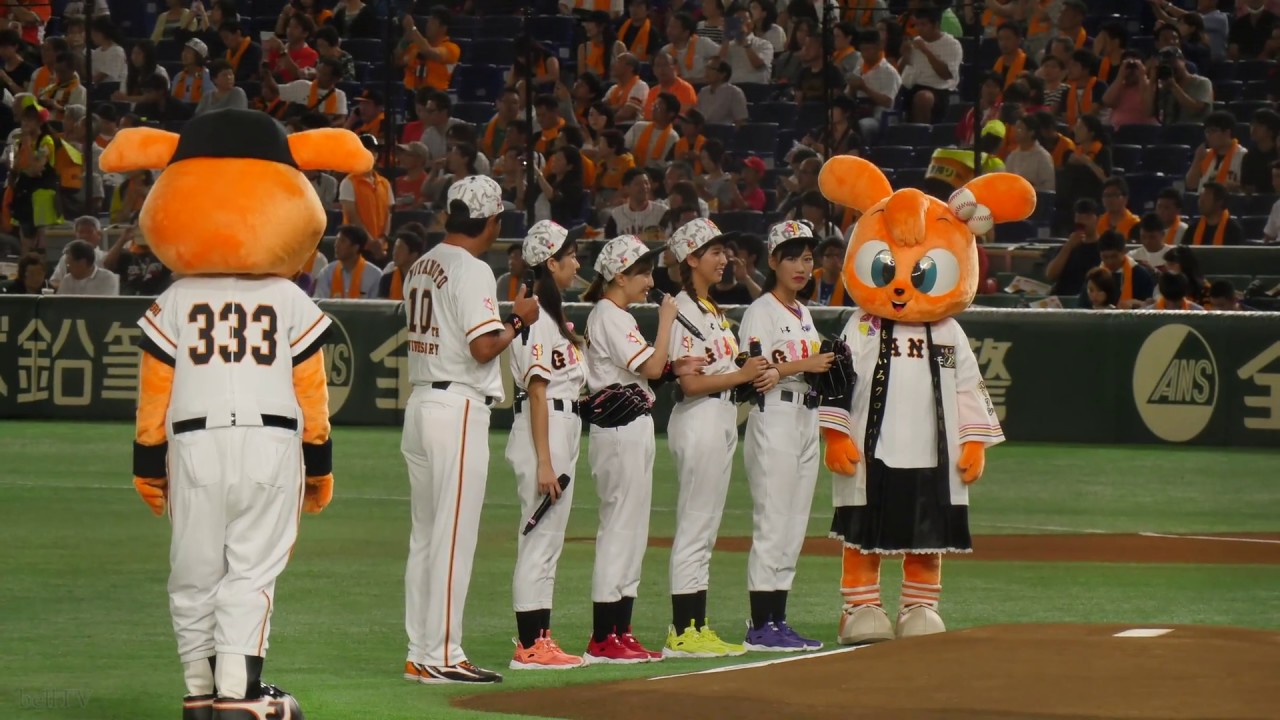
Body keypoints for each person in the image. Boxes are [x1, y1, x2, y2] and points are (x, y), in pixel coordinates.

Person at [401, 175, 540, 685]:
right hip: (457, 407)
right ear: (492, 222)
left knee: (425, 537)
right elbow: (483, 348)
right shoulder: (474, 268)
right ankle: (443, 654)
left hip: (422, 402)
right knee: (453, 537)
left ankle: (421, 651)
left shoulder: (421, 263)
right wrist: (518, 320)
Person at [580, 234, 704, 663]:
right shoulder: (608, 314)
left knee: (631, 533)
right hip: (618, 429)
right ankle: (603, 636)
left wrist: (673, 367)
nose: (650, 282)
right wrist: (667, 322)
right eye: (643, 273)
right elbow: (648, 365)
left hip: (632, 425)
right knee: (619, 531)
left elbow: (648, 370)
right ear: (619, 276)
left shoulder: (618, 315)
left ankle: (621, 630)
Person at [662, 218, 766, 659]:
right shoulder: (683, 308)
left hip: (720, 414)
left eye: (725, 251)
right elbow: (688, 383)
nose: (725, 259)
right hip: (700, 415)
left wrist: (745, 371)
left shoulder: (709, 308)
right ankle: (683, 632)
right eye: (715, 252)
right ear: (691, 258)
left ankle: (696, 625)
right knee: (695, 525)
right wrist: (741, 374)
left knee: (705, 529)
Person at [737, 221, 834, 651]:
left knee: (794, 524)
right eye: (792, 257)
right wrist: (804, 366)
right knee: (773, 521)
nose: (801, 266)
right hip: (773, 414)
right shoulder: (761, 310)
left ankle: (778, 619)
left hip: (805, 417)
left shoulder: (803, 313)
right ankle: (760, 624)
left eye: (808, 258)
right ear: (773, 260)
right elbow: (753, 371)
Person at [505, 220, 588, 671]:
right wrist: (544, 461)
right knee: (538, 537)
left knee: (549, 540)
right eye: (569, 255)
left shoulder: (551, 315)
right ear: (550, 263)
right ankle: (529, 645)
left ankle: (540, 638)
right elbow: (537, 390)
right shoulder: (535, 313)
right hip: (546, 426)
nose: (576, 262)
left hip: (561, 423)